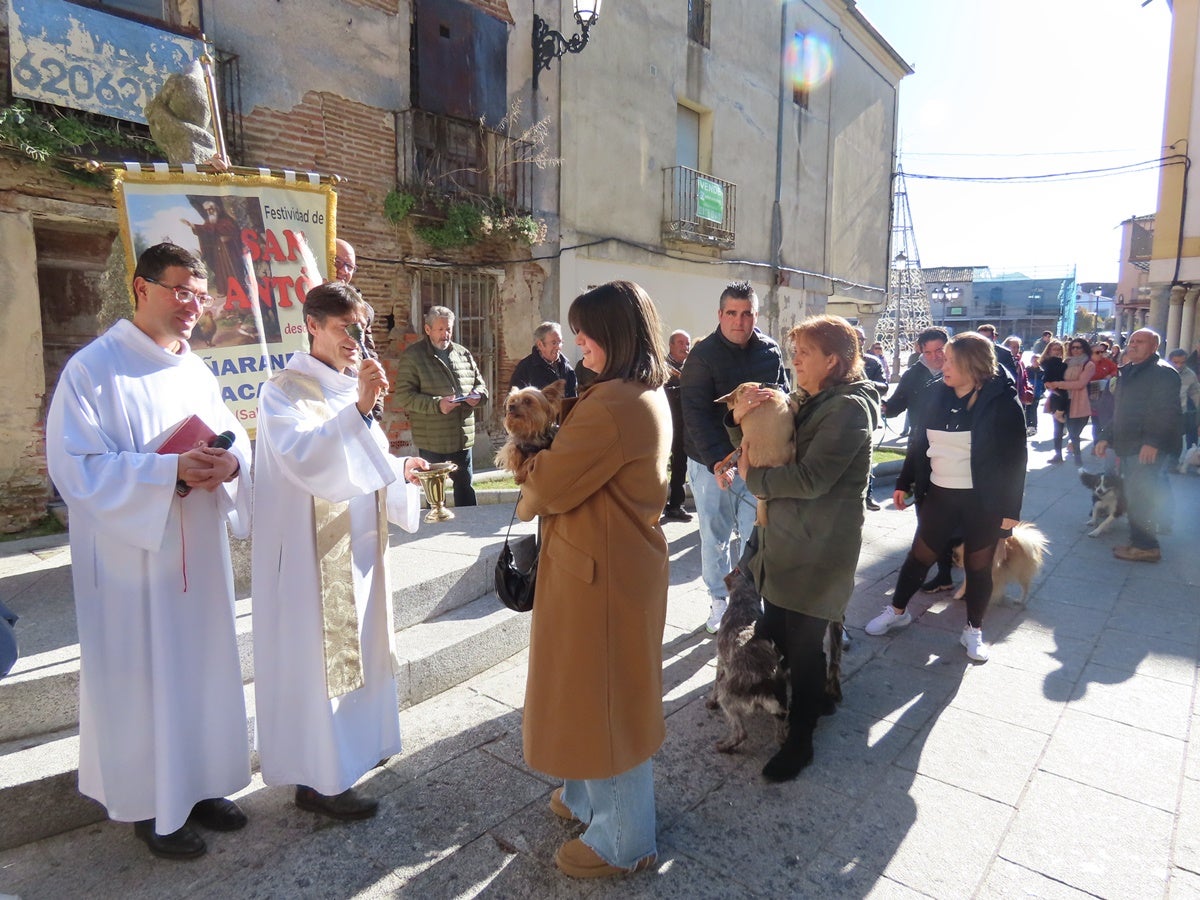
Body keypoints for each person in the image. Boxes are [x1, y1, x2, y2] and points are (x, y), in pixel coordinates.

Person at [45, 243, 252, 860]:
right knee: (148, 676)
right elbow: (75, 468)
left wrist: (229, 462)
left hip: (199, 556)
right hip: (134, 561)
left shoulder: (195, 368)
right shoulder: (93, 368)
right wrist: (166, 474)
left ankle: (205, 783)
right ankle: (154, 806)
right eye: (180, 290)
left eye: (199, 292)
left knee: (203, 668)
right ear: (141, 288)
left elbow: (232, 431)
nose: (193, 304)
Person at [252, 281, 426, 822]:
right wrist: (362, 408)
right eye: (346, 328)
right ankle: (319, 781)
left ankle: (350, 754)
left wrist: (401, 471)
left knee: (363, 652)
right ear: (313, 324)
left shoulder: (349, 387)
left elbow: (370, 457)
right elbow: (308, 458)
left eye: (363, 329)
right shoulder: (284, 390)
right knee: (322, 663)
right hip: (313, 557)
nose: (357, 339)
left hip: (362, 549)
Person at [516, 280, 670, 879]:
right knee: (591, 691)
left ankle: (625, 838)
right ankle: (584, 796)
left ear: (617, 335)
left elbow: (545, 488)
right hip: (605, 565)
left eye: (587, 338)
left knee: (610, 703)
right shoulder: (636, 391)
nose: (580, 350)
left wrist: (533, 489)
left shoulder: (612, 404)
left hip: (601, 575)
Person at [729, 315, 880, 781]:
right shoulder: (811, 400)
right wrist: (740, 419)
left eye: (805, 352)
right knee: (776, 631)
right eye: (795, 351)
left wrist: (753, 479)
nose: (794, 360)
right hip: (787, 540)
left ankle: (801, 737)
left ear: (833, 360)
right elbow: (765, 446)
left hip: (820, 547)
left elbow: (813, 479)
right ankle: (807, 702)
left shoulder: (848, 410)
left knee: (802, 644)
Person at [866, 332, 1027, 662]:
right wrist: (904, 481)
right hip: (939, 494)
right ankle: (897, 611)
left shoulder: (1002, 400)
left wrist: (1011, 509)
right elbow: (919, 445)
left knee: (978, 567)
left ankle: (973, 631)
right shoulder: (936, 393)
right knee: (919, 557)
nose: (942, 362)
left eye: (951, 359)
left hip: (983, 501)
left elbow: (1015, 458)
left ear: (972, 364)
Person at [680, 281, 790, 634]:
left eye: (747, 314)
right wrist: (717, 461)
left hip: (757, 461)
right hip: (711, 460)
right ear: (720, 315)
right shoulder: (702, 356)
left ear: (756, 315)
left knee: (753, 535)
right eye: (732, 313)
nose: (739, 321)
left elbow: (782, 397)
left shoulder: (770, 350)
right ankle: (718, 600)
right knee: (714, 536)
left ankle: (747, 598)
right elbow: (694, 414)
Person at [881, 327, 957, 592]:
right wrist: (882, 407)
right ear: (920, 351)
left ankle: (945, 569)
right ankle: (938, 570)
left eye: (940, 350)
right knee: (926, 514)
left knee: (950, 517)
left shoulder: (962, 367)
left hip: (955, 453)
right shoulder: (916, 373)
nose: (936, 357)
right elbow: (897, 403)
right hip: (923, 451)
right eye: (928, 352)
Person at [1096, 329, 1181, 562]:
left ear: (1154, 347)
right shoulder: (1130, 371)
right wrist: (1105, 437)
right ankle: (1138, 542)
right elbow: (1121, 411)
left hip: (1146, 447)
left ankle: (1146, 546)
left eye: (1140, 342)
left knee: (1141, 496)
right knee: (1134, 495)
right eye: (1131, 341)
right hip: (1130, 444)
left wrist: (1152, 442)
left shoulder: (1163, 373)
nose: (1132, 345)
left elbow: (1167, 411)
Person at [393, 305, 489, 507]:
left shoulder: (463, 354)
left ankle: (470, 531)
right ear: (428, 330)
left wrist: (478, 396)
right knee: (435, 496)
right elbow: (404, 396)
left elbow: (481, 386)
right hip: (432, 439)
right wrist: (437, 405)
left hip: (461, 437)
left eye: (448, 329)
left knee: (465, 489)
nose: (445, 334)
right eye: (440, 329)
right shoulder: (413, 356)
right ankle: (436, 534)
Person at [333, 238, 383, 419]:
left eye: (350, 267)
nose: (344, 271)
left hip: (353, 400)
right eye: (337, 262)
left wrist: (374, 411)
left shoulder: (359, 305)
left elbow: (368, 354)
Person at [1044, 337, 1094, 466]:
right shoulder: (1066, 361)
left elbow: (1080, 384)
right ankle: (1058, 455)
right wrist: (1049, 384)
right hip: (1061, 398)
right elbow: (1052, 375)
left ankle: (1078, 458)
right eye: (1073, 347)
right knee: (1057, 428)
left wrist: (1058, 384)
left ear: (1084, 348)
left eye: (1079, 347)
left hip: (1076, 399)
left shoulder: (1088, 364)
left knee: (1073, 431)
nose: (1075, 350)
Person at [855, 328, 888, 511]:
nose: (857, 341)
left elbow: (884, 386)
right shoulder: (838, 360)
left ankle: (868, 496)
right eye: (854, 337)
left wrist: (866, 384)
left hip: (867, 416)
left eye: (860, 338)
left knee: (866, 456)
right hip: (844, 418)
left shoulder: (873, 362)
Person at [663, 329, 693, 521]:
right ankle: (654, 504)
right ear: (671, 345)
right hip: (665, 423)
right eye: (681, 343)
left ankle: (676, 505)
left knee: (680, 464)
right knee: (658, 464)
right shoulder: (662, 366)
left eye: (687, 343)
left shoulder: (691, 367)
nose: (685, 347)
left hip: (683, 424)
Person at [509, 321, 579, 397]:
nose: (558, 347)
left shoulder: (567, 368)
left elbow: (573, 399)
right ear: (540, 345)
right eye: (554, 343)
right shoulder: (525, 369)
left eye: (560, 342)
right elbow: (515, 401)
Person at [1168, 349, 1200, 466]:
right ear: (1170, 360)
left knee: (1176, 440)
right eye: (1176, 362)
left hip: (1180, 412)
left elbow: (1196, 395)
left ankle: (1172, 463)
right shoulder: (1162, 371)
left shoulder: (1190, 375)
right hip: (1161, 412)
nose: (1179, 365)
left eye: (1182, 362)